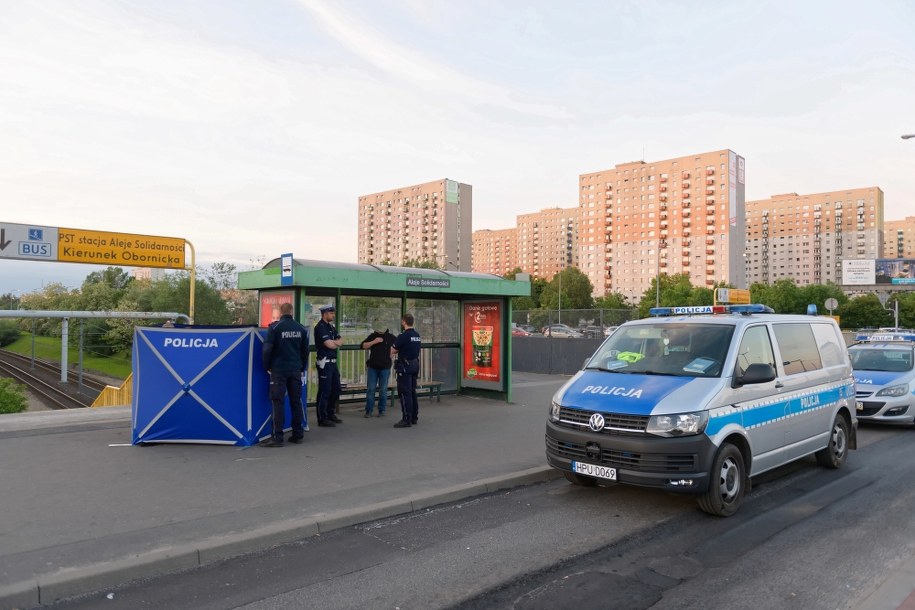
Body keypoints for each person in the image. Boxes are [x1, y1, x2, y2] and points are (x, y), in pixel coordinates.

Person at [261, 302, 309, 447]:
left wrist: (267, 366)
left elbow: (267, 350)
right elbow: (305, 351)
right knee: (295, 401)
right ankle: (297, 434)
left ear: (281, 313)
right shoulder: (300, 328)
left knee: (278, 402)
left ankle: (277, 436)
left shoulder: (275, 328)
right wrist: (302, 367)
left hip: (279, 370)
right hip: (295, 369)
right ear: (292, 312)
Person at [314, 304, 344, 427]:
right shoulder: (320, 327)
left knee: (336, 389)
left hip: (332, 363)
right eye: (331, 313)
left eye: (333, 313)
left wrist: (335, 342)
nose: (333, 315)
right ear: (324, 314)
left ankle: (330, 413)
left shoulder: (330, 327)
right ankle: (322, 417)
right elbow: (330, 345)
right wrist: (335, 343)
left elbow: (341, 340)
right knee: (324, 391)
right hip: (324, 363)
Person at [391, 312, 421, 428]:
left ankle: (406, 419)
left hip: (404, 367)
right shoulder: (416, 335)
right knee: (412, 391)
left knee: (404, 393)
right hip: (414, 365)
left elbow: (393, 350)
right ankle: (414, 417)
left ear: (404, 322)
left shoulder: (403, 336)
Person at [361, 321, 396, 417]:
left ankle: (382, 410)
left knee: (383, 390)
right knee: (371, 389)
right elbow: (363, 345)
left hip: (385, 367)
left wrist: (393, 353)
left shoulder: (391, 337)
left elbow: (399, 346)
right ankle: (369, 410)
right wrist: (374, 341)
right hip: (373, 367)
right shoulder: (373, 336)